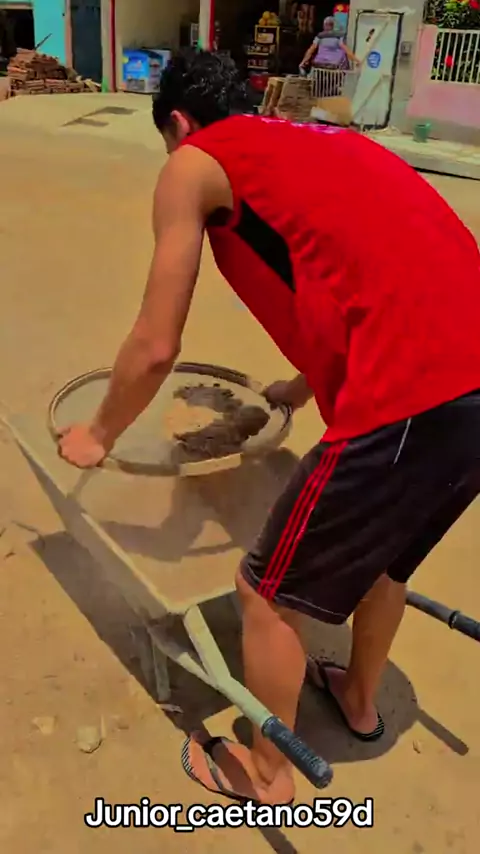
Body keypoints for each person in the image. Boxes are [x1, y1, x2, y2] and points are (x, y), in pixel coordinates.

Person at [59, 50, 480, 806]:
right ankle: (358, 700)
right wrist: (299, 386)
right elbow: (368, 268)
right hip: (471, 378)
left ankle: (267, 774)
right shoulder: (315, 140)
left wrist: (97, 435)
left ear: (179, 123)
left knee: (264, 594)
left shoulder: (194, 162)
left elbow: (156, 346)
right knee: (386, 565)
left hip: (411, 393)